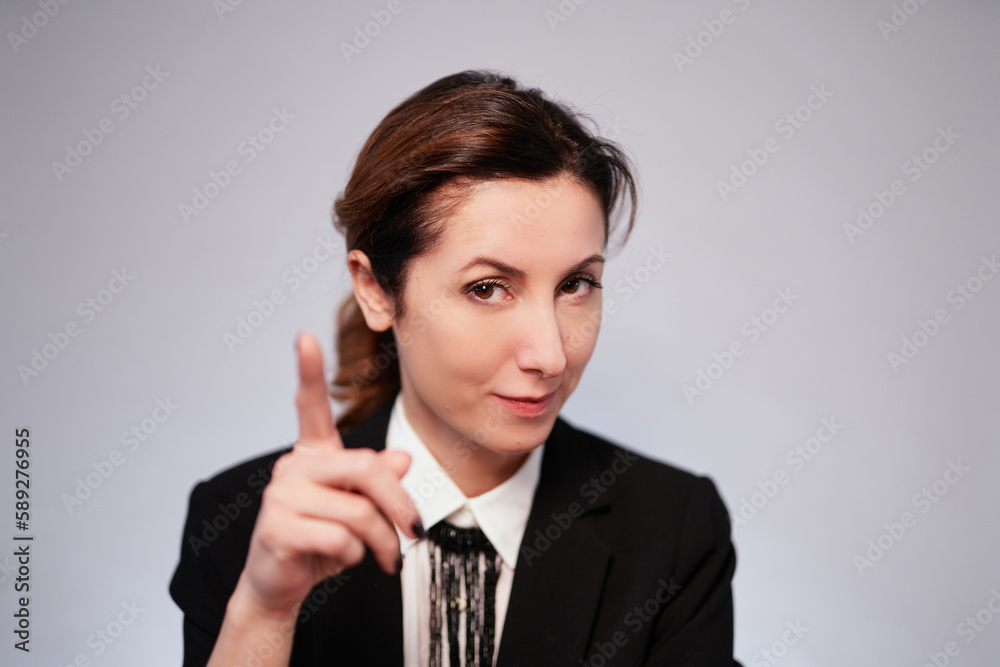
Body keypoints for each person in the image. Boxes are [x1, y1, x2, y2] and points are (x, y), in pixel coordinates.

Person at [169, 69, 740, 666]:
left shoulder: (672, 530)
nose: (549, 356)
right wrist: (265, 611)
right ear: (375, 291)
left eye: (576, 284)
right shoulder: (247, 523)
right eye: (488, 288)